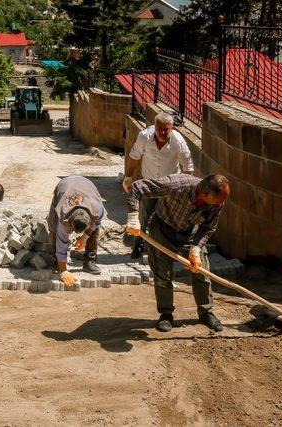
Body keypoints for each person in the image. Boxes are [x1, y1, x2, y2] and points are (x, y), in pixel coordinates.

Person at [125, 174, 230, 332]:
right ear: (206, 194)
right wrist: (133, 216)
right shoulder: (177, 184)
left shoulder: (217, 203)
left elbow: (208, 227)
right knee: (162, 276)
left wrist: (196, 248)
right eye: (220, 199)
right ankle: (166, 315)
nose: (222, 203)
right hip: (162, 230)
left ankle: (206, 312)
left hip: (191, 233)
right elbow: (138, 187)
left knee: (201, 272)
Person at [123, 112, 194, 258]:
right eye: (159, 128)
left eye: (166, 129)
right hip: (149, 183)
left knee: (169, 218)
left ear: (171, 128)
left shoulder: (178, 142)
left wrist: (186, 191)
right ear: (154, 126)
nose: (162, 132)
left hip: (170, 186)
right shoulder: (144, 136)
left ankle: (167, 249)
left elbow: (188, 168)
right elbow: (134, 156)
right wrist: (128, 177)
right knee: (143, 216)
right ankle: (138, 245)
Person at [47, 176, 106, 287]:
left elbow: (96, 223)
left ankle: (89, 260)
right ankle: (56, 261)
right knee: (53, 225)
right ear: (70, 221)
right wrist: (63, 271)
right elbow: (62, 243)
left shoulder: (98, 209)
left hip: (87, 185)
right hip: (65, 186)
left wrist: (85, 237)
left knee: (95, 231)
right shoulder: (63, 215)